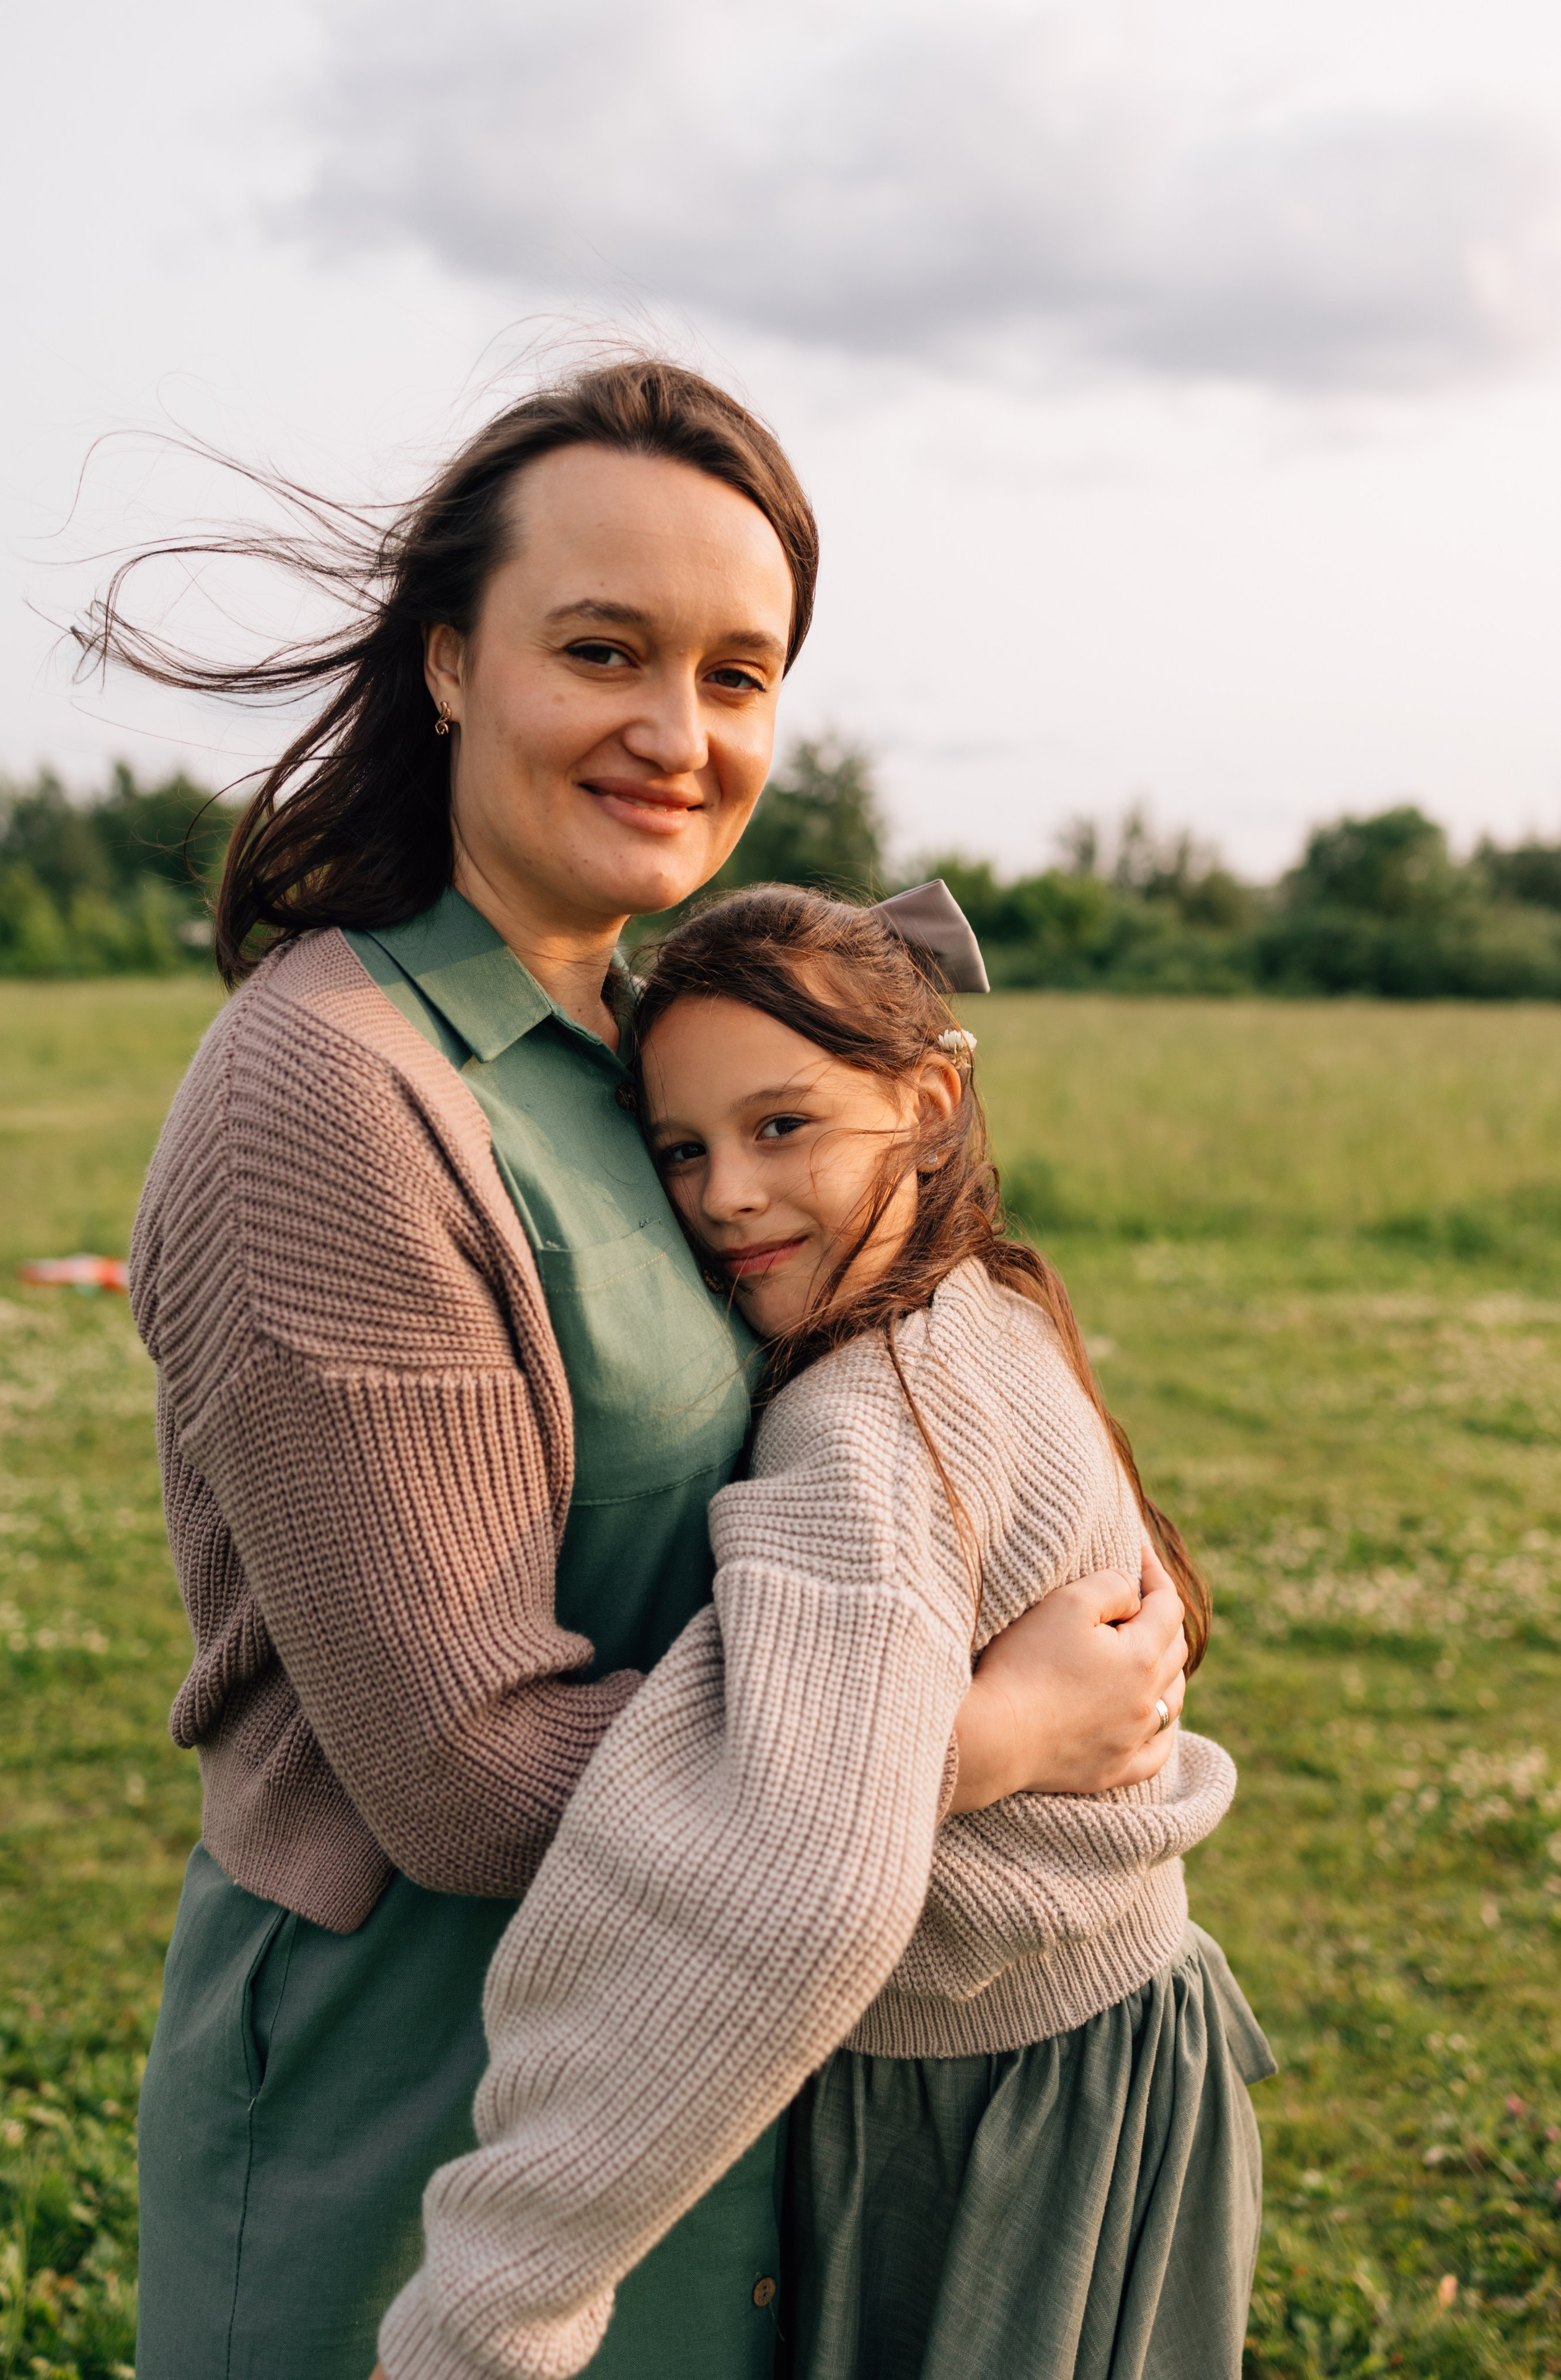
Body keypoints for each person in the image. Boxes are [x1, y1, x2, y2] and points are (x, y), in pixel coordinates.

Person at [99, 357, 1191, 2380]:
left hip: (691, 2059)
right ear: (448, 659)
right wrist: (969, 1746)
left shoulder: (644, 1045)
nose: (676, 735)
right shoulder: (329, 1099)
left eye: (737, 673)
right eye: (602, 650)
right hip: (415, 2112)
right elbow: (463, 1780)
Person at [374, 883, 1273, 2380]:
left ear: (927, 1105)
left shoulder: (855, 1431)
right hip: (1133, 2043)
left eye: (780, 1127)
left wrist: (486, 2311)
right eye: (681, 1148)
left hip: (980, 2118)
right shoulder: (978, 1304)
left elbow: (783, 1887)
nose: (724, 1193)